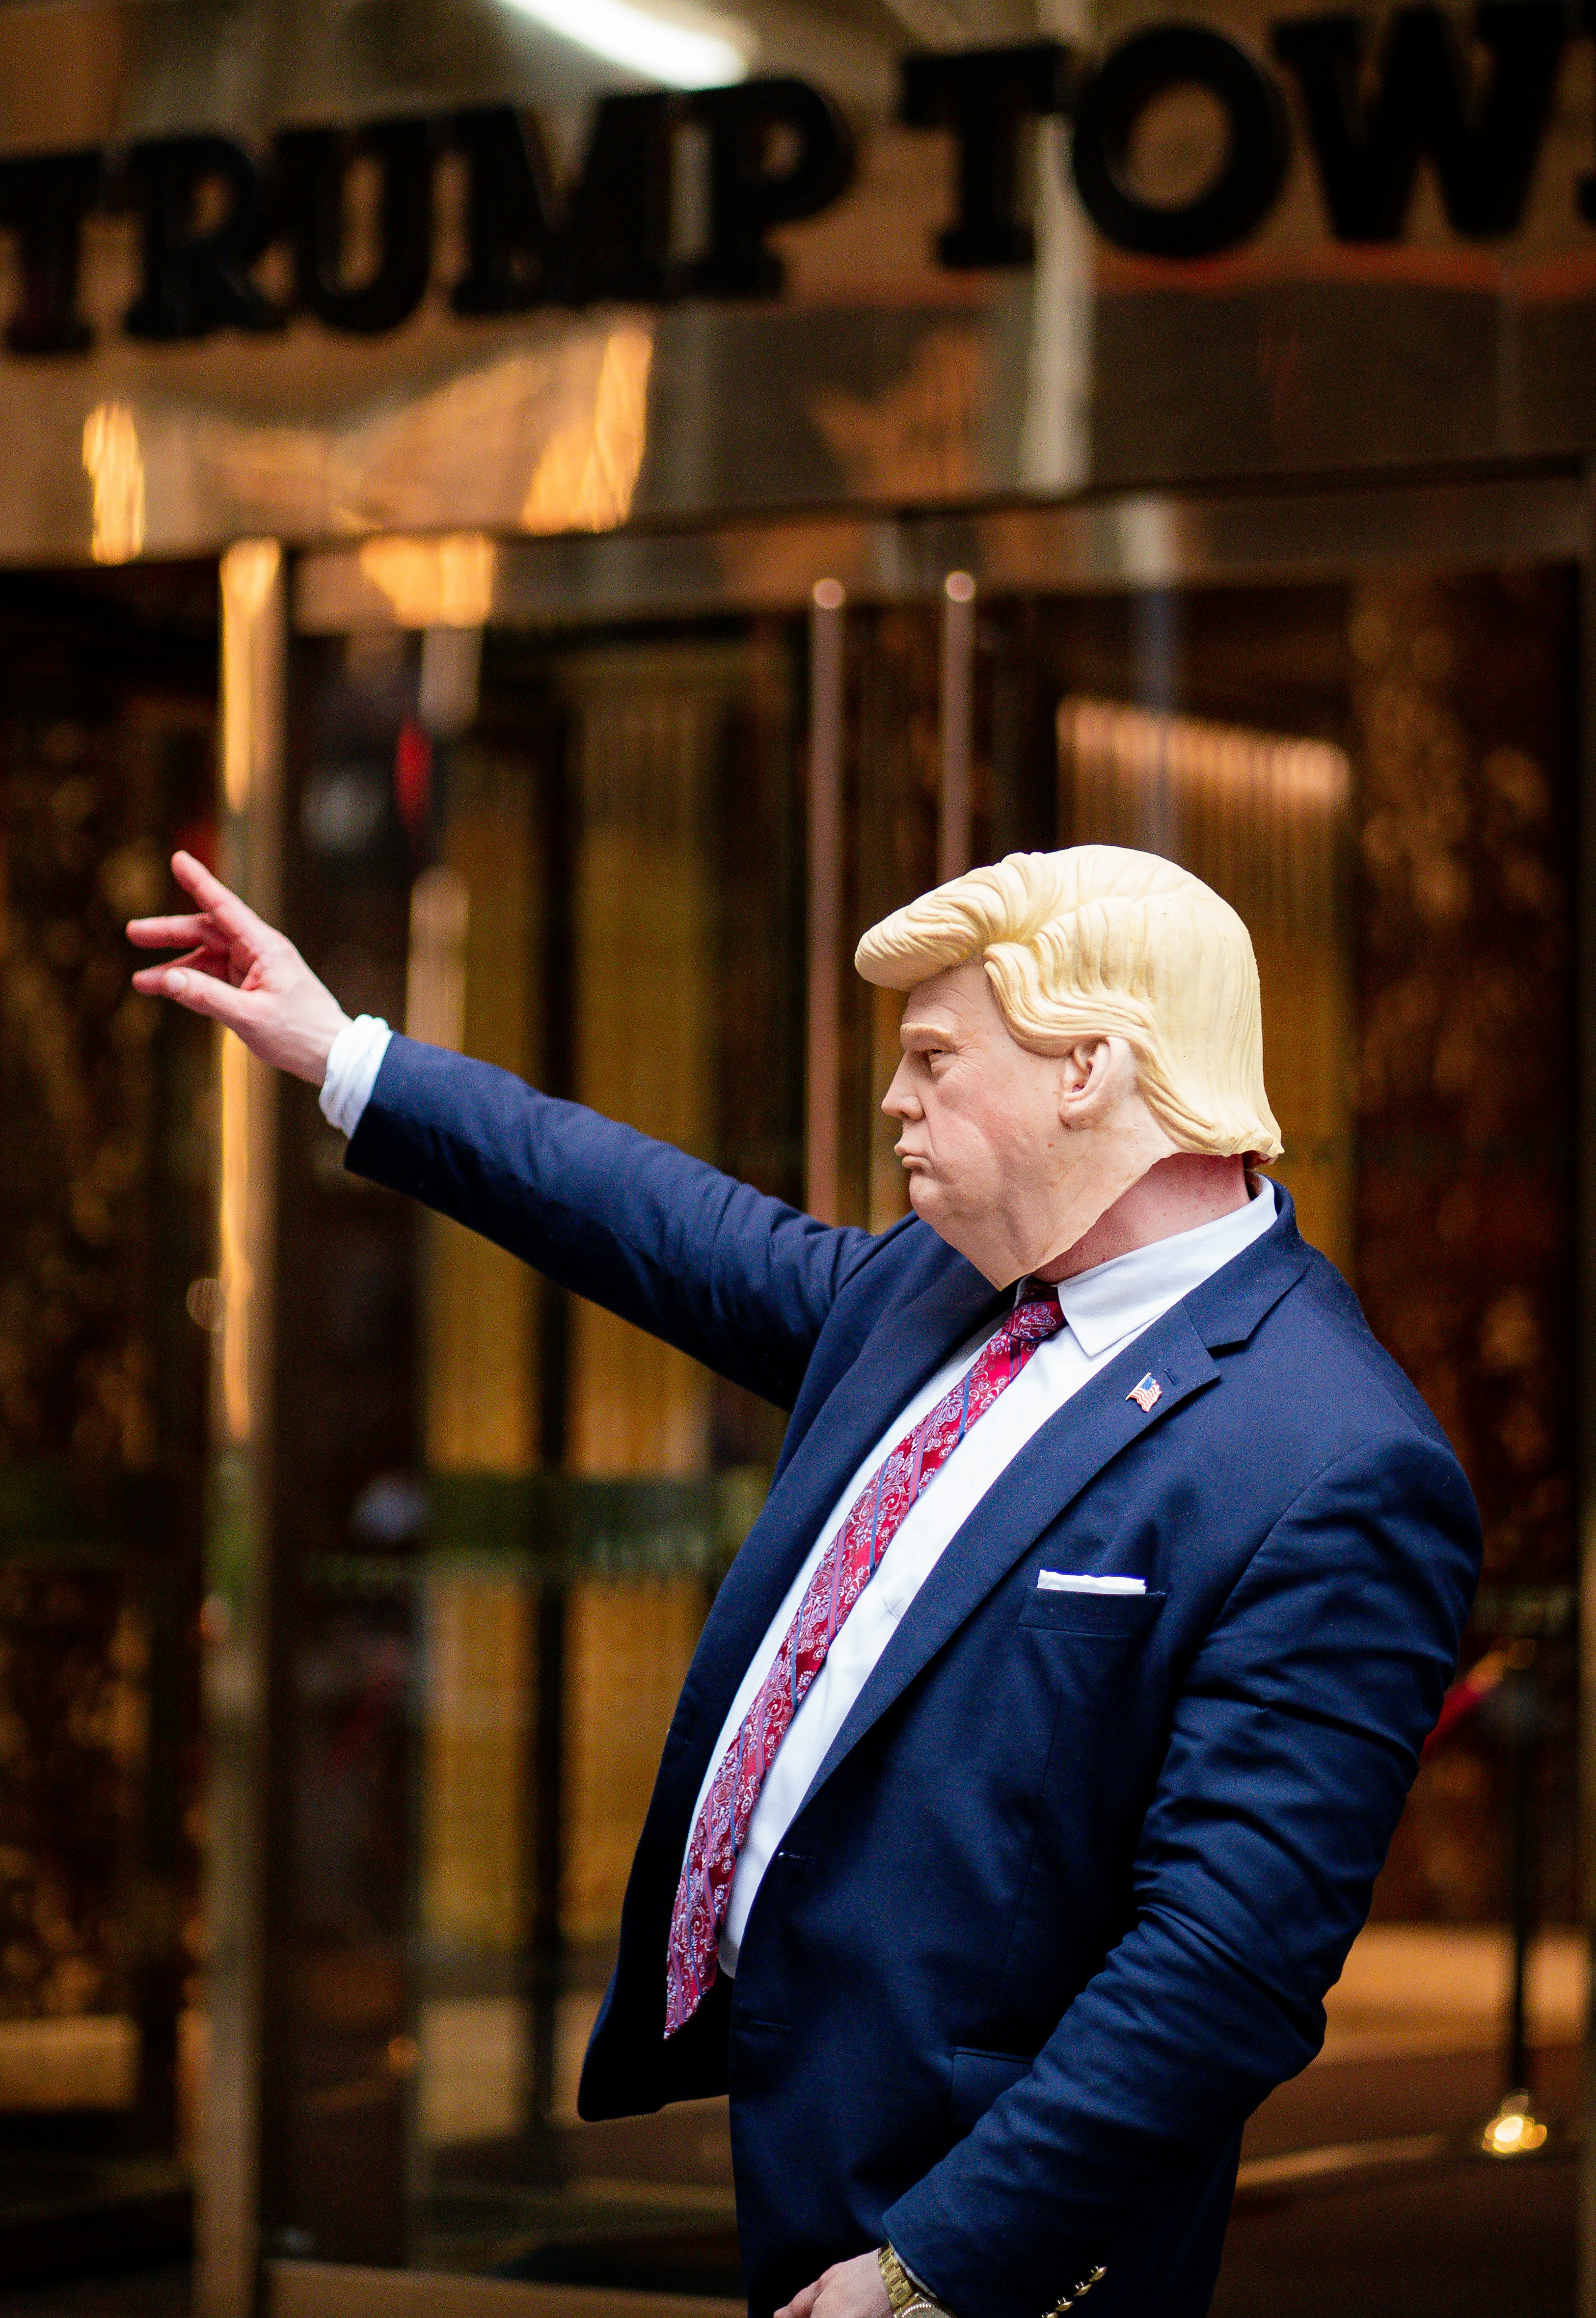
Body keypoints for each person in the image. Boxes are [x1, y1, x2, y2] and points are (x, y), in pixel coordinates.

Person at [129, 839, 1478, 2318]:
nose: (895, 1099)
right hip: (801, 2146)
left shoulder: (1334, 1462)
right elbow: (653, 1219)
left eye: (934, 1057)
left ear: (1089, 1068)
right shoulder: (933, 1288)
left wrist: (924, 2272)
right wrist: (351, 1059)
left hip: (993, 2245)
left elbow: (1221, 1975)